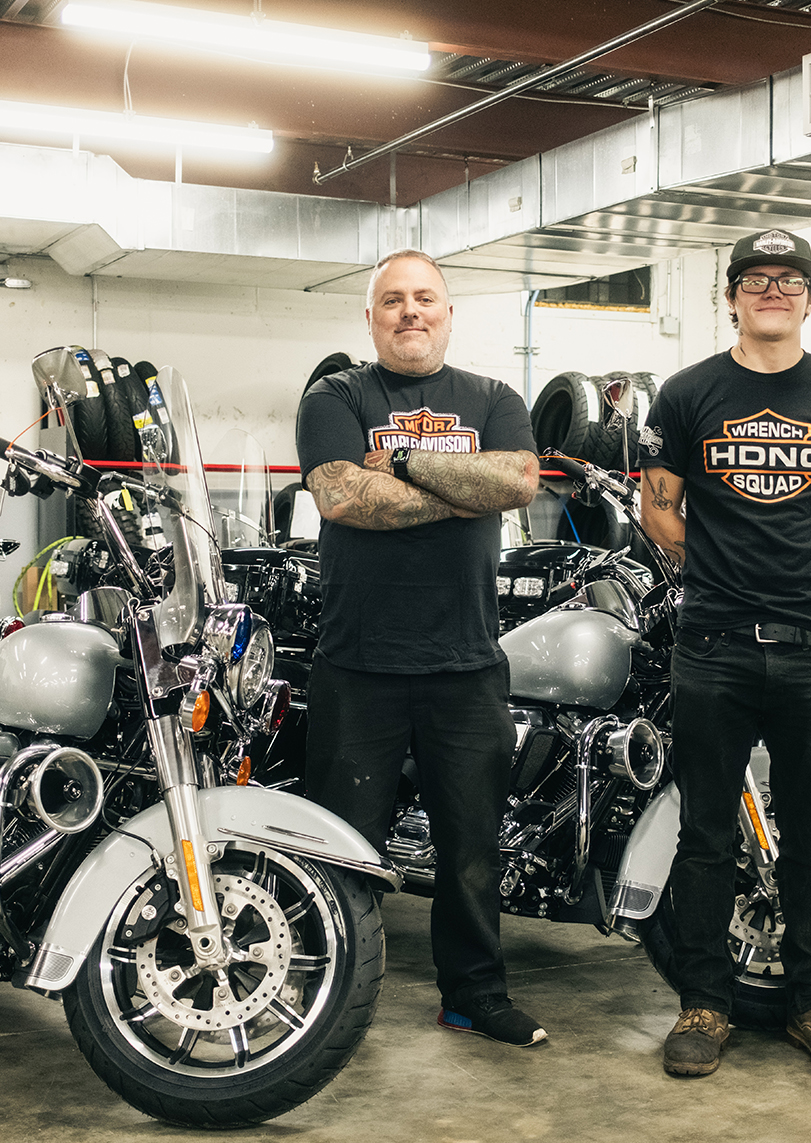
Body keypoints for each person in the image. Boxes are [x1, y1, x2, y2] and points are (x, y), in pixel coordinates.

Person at [637, 228, 811, 1077]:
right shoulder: (686, 394)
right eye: (756, 279)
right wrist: (721, 573)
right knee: (707, 834)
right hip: (711, 645)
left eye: (789, 280)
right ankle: (705, 1004)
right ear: (733, 297)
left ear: (810, 298)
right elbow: (659, 512)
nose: (773, 291)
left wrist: (809, 580)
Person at [294, 249, 545, 1047]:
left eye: (425, 298)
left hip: (467, 664)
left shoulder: (496, 396)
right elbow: (342, 497)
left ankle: (473, 994)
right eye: (393, 299)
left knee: (472, 852)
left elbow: (517, 484)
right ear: (370, 317)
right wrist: (466, 486)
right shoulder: (335, 395)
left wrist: (403, 462)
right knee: (341, 847)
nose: (411, 311)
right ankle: (326, 995)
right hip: (358, 664)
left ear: (447, 312)